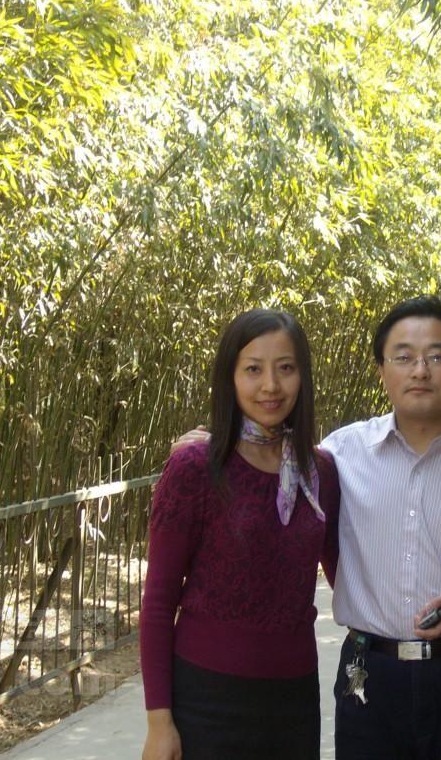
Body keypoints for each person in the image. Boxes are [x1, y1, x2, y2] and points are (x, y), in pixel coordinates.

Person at [172, 296, 441, 759]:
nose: (420, 371)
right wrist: (218, 447)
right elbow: (272, 463)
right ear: (381, 370)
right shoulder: (339, 455)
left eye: (437, 356)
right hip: (368, 679)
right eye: (403, 357)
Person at [140, 309, 340, 760]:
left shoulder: (319, 472)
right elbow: (158, 602)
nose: (271, 385)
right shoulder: (196, 467)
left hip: (294, 700)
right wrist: (159, 723)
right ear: (229, 377)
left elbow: (345, 575)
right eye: (253, 369)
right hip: (207, 699)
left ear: (303, 377)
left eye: (285, 368)